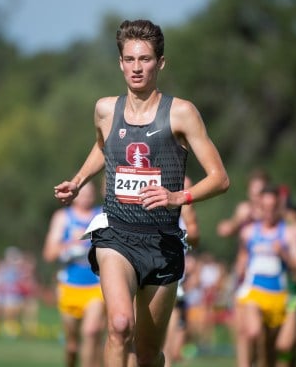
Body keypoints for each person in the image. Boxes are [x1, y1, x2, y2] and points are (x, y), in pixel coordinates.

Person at [53, 19, 229, 367]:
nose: (137, 67)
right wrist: (78, 181)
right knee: (119, 326)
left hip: (163, 242)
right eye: (130, 59)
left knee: (148, 355)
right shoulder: (106, 109)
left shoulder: (181, 113)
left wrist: (178, 197)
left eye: (145, 59)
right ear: (120, 62)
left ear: (160, 62)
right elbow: (104, 147)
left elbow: (220, 178)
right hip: (116, 235)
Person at [232, 186, 296, 367]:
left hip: (281, 296)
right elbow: (242, 259)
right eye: (265, 207)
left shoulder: (288, 233)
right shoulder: (249, 233)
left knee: (280, 347)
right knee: (254, 331)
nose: (269, 212)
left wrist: (284, 255)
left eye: (273, 207)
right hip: (254, 292)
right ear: (260, 207)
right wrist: (240, 269)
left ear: (279, 207)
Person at [44, 181, 106, 367]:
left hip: (96, 285)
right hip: (69, 286)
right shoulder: (63, 217)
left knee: (92, 332)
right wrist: (72, 242)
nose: (86, 196)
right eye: (82, 192)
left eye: (90, 192)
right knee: (72, 345)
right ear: (75, 194)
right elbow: (49, 254)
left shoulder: (101, 215)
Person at [164, 176, 200, 366]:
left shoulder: (187, 211)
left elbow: (195, 238)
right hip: (147, 272)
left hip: (175, 279)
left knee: (171, 344)